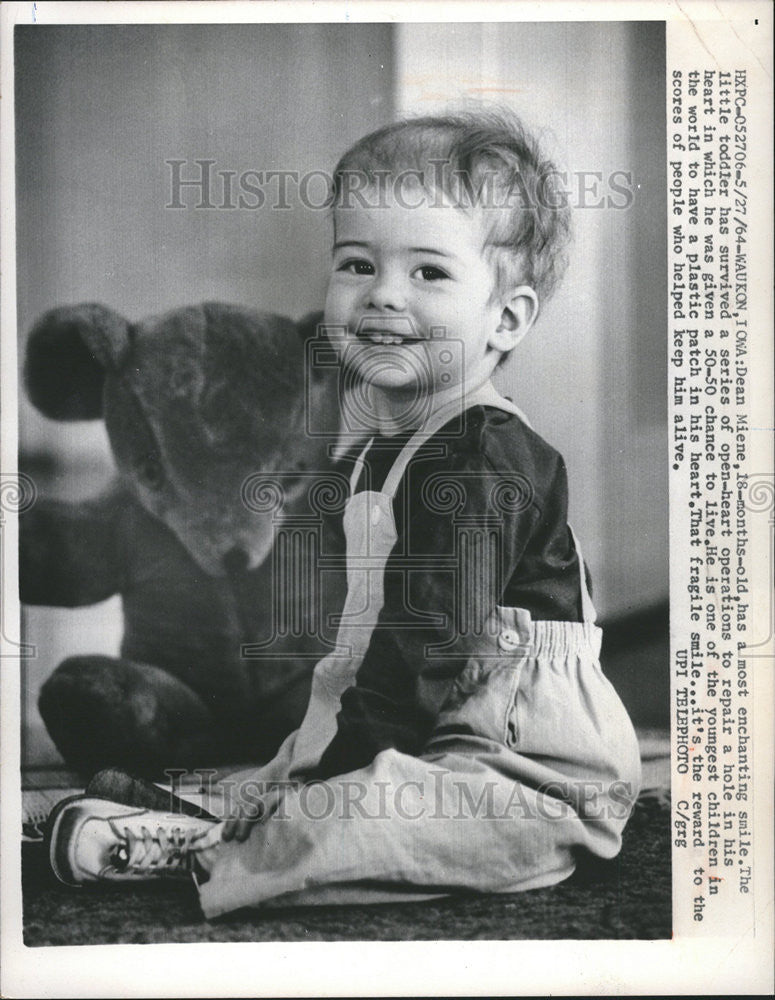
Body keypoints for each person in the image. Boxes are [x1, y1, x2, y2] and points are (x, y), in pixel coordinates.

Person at [47, 109, 642, 917]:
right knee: (277, 781)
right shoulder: (373, 451)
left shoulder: (482, 459)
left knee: (380, 812)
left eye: (428, 273)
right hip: (414, 727)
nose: (381, 295)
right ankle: (225, 825)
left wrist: (333, 776)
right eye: (357, 263)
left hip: (524, 763)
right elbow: (359, 653)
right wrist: (298, 768)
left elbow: (430, 646)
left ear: (504, 319)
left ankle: (203, 858)